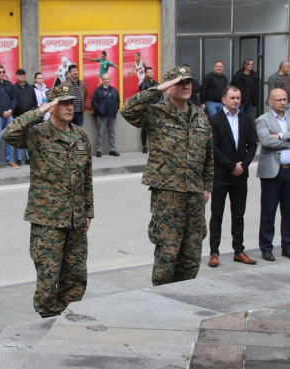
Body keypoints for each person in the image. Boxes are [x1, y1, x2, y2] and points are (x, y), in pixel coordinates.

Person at [2, 83, 93, 318]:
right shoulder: (37, 134)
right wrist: (39, 111)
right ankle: (47, 319)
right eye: (61, 102)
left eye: (70, 102)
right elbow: (8, 133)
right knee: (48, 277)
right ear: (51, 106)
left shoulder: (80, 136)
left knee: (76, 275)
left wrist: (88, 212)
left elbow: (87, 177)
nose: (69, 107)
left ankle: (68, 318)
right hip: (47, 221)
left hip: (75, 219)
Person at [120, 66, 214, 286]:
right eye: (180, 82)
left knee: (191, 257)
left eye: (188, 82)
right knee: (167, 257)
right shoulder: (156, 113)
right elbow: (128, 111)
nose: (186, 86)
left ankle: (184, 298)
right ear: (169, 87)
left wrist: (206, 186)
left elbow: (208, 156)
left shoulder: (200, 117)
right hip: (167, 198)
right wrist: (157, 89)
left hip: (194, 196)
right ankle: (162, 302)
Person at [208, 86, 257, 268]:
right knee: (217, 215)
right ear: (224, 100)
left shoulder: (245, 119)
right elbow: (213, 148)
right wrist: (231, 166)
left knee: (238, 215)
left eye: (238, 97)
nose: (236, 100)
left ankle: (238, 250)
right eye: (232, 97)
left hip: (240, 175)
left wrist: (242, 166)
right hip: (221, 175)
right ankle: (214, 253)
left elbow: (252, 145)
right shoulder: (214, 120)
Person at [255, 88, 290, 261]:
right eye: (279, 100)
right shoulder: (262, 120)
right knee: (268, 211)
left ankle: (287, 245)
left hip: (289, 171)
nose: (283, 102)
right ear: (270, 102)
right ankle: (266, 247)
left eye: (285, 99)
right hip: (271, 172)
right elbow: (265, 140)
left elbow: (273, 140)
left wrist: (282, 135)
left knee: (289, 211)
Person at [91, 73, 120, 157]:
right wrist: (99, 109)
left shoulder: (114, 90)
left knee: (112, 134)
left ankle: (112, 150)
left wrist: (116, 109)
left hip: (112, 116)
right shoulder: (98, 90)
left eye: (108, 79)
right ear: (102, 80)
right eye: (105, 79)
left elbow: (118, 101)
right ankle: (99, 151)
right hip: (101, 116)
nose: (107, 81)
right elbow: (93, 102)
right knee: (100, 133)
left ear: (110, 79)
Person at [12, 68, 37, 165]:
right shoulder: (14, 88)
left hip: (29, 116)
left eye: (23, 74)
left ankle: (28, 158)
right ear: (16, 76)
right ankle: (18, 159)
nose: (22, 76)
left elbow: (34, 102)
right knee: (19, 138)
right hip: (18, 116)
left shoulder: (31, 88)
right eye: (20, 74)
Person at [138, 67, 163, 153]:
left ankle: (155, 145)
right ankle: (144, 146)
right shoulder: (143, 84)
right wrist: (149, 105)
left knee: (155, 127)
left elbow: (161, 95)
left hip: (156, 108)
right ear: (145, 74)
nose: (150, 73)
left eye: (151, 72)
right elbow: (143, 97)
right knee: (145, 127)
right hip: (147, 108)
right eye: (148, 72)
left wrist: (158, 105)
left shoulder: (157, 83)